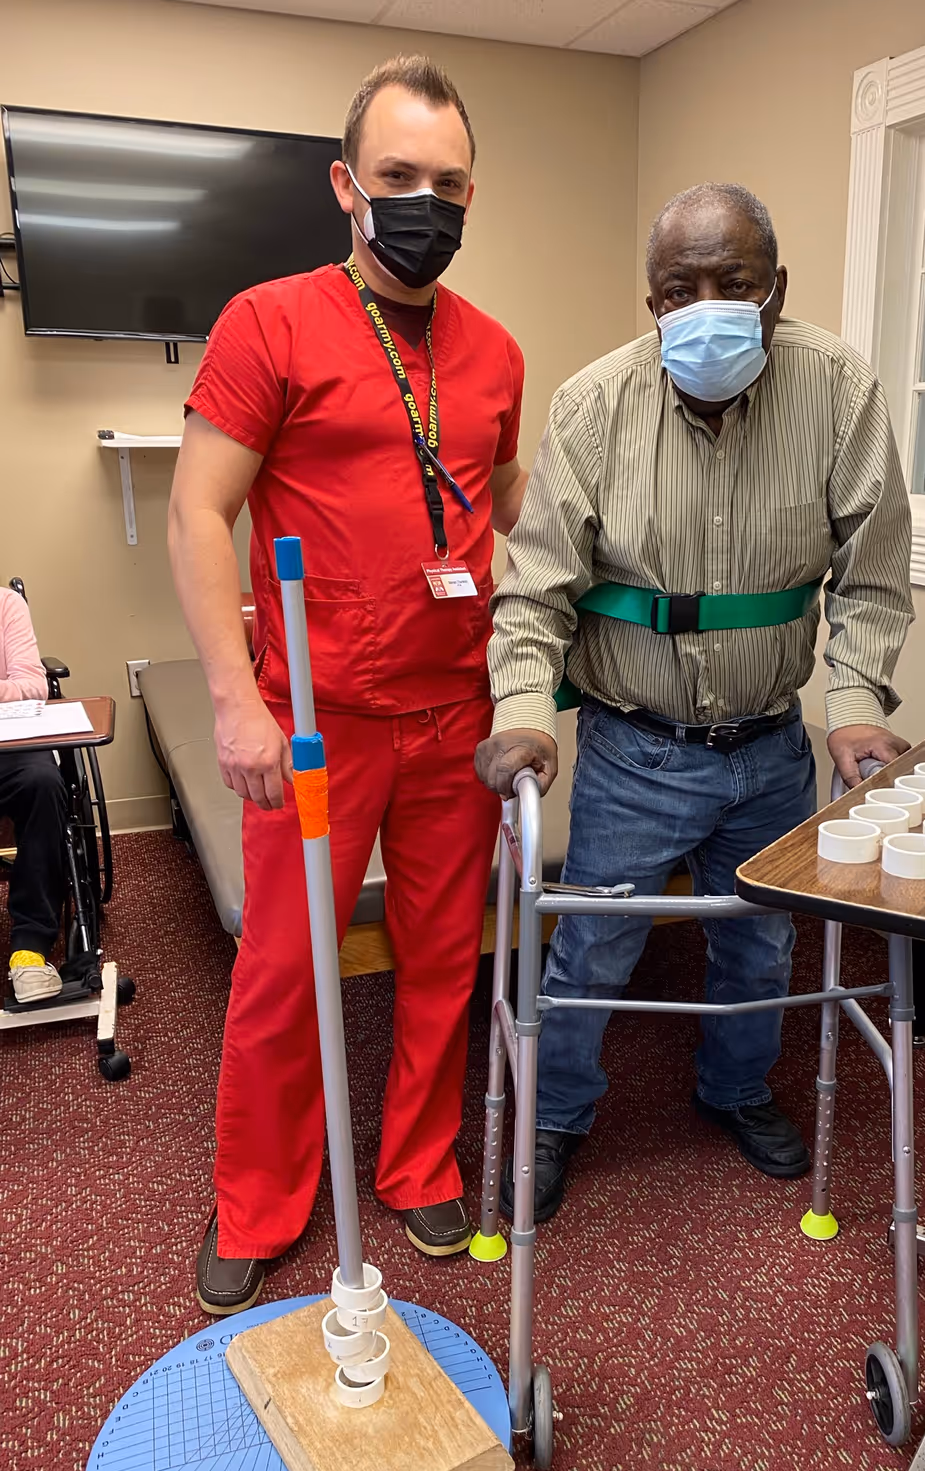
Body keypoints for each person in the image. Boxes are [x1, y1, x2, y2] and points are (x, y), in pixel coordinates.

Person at [476, 183, 913, 1224]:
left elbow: (872, 573)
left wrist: (851, 702)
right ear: (651, 299)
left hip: (772, 746)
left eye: (737, 283)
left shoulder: (837, 388)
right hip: (637, 748)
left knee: (763, 941)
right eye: (681, 288)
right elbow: (534, 591)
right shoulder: (594, 405)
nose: (707, 305)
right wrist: (524, 711)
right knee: (592, 946)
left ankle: (737, 1088)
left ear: (779, 289)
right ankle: (557, 1113)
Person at [170, 55, 527, 1315]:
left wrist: (523, 691)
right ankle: (260, 1197)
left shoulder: (497, 354)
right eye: (395, 178)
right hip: (322, 728)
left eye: (446, 182)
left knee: (444, 957)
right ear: (346, 185)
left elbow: (505, 523)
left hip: (458, 723)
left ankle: (420, 1163)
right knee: (285, 966)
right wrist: (234, 699)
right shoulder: (269, 322)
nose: (422, 201)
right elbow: (197, 511)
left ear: (472, 192)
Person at [0, 586, 67, 1004]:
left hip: (8, 744)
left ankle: (30, 947)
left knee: (44, 781)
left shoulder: (7, 604)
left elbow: (31, 685)